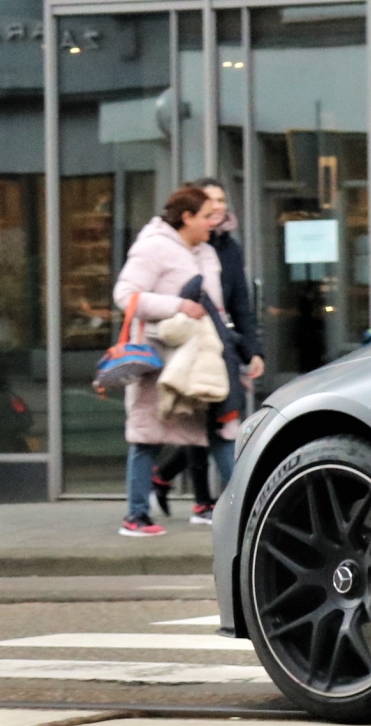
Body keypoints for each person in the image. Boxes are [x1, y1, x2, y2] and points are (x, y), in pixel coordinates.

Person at [111, 185, 233, 538]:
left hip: (203, 357)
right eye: (207, 215)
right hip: (160, 355)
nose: (214, 222)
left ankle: (250, 507)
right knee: (147, 434)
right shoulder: (153, 247)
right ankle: (135, 516)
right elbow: (126, 295)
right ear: (187, 217)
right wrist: (176, 306)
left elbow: (217, 305)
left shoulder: (207, 252)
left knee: (223, 427)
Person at [152, 178, 262, 524]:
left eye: (222, 200)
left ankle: (171, 479)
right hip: (191, 344)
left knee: (216, 424)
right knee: (205, 423)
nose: (218, 207)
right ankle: (205, 501)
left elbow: (240, 303)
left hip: (221, 344)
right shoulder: (179, 245)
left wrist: (252, 350)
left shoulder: (228, 248)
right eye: (211, 200)